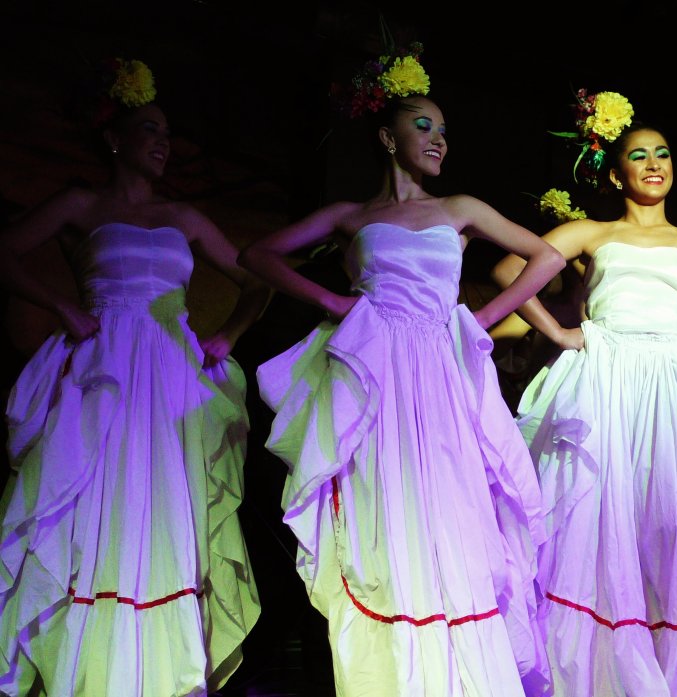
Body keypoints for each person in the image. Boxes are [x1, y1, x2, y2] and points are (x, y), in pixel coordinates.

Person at [237, 45, 564, 697]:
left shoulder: (459, 208)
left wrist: (478, 317)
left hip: (441, 376)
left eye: (443, 129)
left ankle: (462, 676)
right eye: (423, 125)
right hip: (376, 375)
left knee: (453, 508)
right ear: (388, 138)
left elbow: (547, 256)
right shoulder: (353, 216)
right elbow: (257, 254)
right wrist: (332, 301)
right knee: (384, 511)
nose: (438, 139)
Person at [493, 90, 677, 696]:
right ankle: (595, 670)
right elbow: (508, 272)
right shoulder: (592, 232)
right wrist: (559, 332)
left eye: (662, 154)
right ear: (616, 173)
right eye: (638, 155)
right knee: (596, 515)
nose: (654, 164)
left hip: (673, 382)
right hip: (604, 378)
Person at [0, 58, 266, 696]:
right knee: (94, 507)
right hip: (103, 372)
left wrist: (229, 334)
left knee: (164, 508)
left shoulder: (184, 216)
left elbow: (258, 278)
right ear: (114, 138)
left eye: (168, 133)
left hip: (169, 376)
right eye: (150, 128)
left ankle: (161, 672)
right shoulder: (82, 204)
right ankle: (90, 670)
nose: (163, 142)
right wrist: (61, 306)